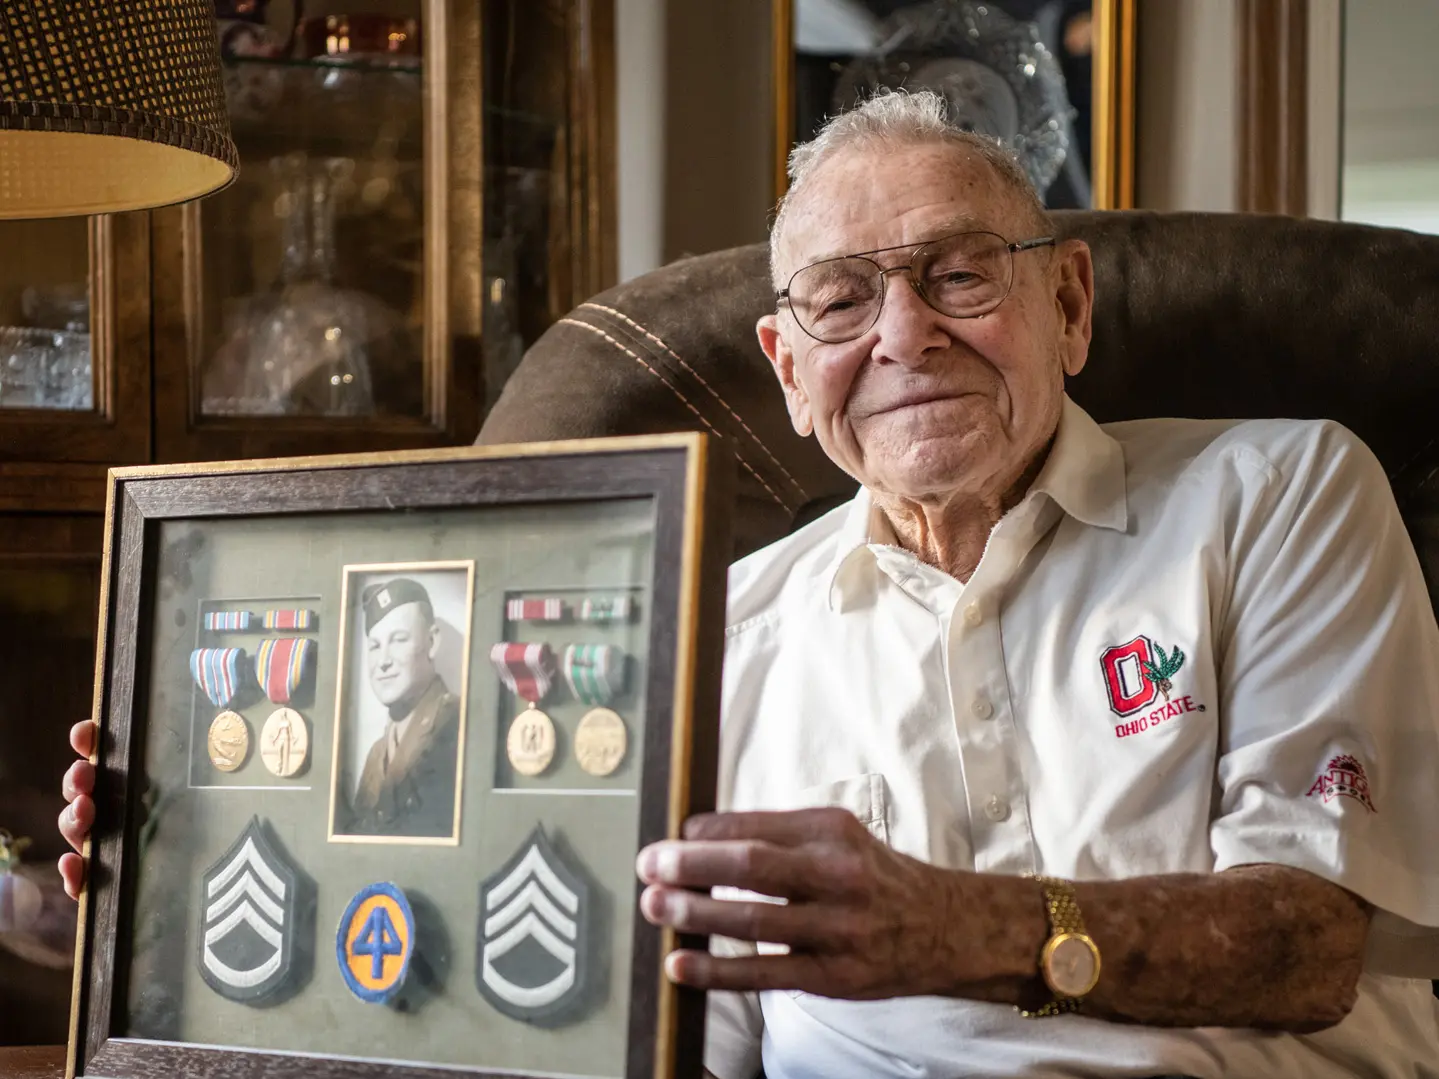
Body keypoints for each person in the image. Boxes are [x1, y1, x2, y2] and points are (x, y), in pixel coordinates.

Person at [59, 90, 1439, 1076]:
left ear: (1066, 304)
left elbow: (1309, 944)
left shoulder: (1279, 492)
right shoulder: (710, 625)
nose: (904, 333)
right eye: (839, 300)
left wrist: (949, 925)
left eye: (958, 273)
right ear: (787, 372)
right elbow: (629, 1013)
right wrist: (173, 867)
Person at [339, 576, 461, 837]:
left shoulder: (457, 726)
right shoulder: (377, 754)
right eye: (374, 646)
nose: (383, 661)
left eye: (398, 639)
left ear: (432, 642)